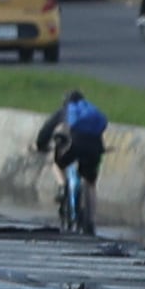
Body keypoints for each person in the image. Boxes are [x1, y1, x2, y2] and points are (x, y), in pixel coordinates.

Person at [50, 87, 107, 237]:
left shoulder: (65, 112)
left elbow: (45, 132)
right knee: (90, 182)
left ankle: (63, 187)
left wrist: (39, 145)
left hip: (73, 146)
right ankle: (91, 220)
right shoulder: (91, 113)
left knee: (57, 164)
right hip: (94, 148)